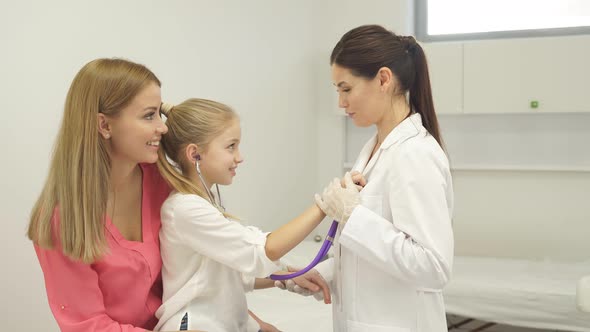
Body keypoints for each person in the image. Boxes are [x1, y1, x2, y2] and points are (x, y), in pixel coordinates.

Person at [27, 58, 274, 332]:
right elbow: (88, 326)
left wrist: (252, 321)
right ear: (104, 125)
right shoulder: (59, 221)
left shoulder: (163, 182)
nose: (163, 127)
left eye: (159, 113)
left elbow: (202, 273)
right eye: (148, 115)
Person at [279, 24, 455, 332]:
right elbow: (369, 256)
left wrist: (353, 215)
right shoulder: (372, 149)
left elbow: (433, 267)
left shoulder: (415, 154)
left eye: (346, 89)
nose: (341, 103)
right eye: (338, 91)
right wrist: (323, 272)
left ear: (384, 79)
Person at [153, 98, 331, 331]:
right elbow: (259, 251)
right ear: (195, 154)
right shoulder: (185, 209)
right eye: (231, 146)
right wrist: (324, 206)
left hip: (223, 319)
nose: (240, 157)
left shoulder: (205, 202)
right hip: (193, 323)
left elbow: (232, 271)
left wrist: (285, 276)